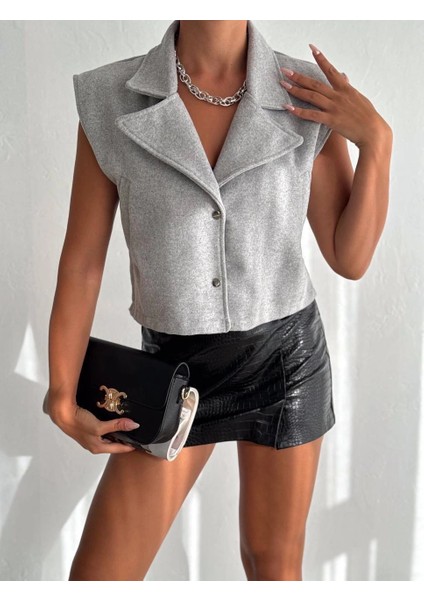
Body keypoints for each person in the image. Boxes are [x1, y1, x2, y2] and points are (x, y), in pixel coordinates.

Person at [44, 20, 392, 581]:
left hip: (286, 364)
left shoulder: (305, 92)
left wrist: (377, 142)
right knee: (98, 579)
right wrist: (62, 391)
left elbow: (348, 257)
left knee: (272, 567)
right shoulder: (111, 98)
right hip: (171, 375)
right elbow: (83, 261)